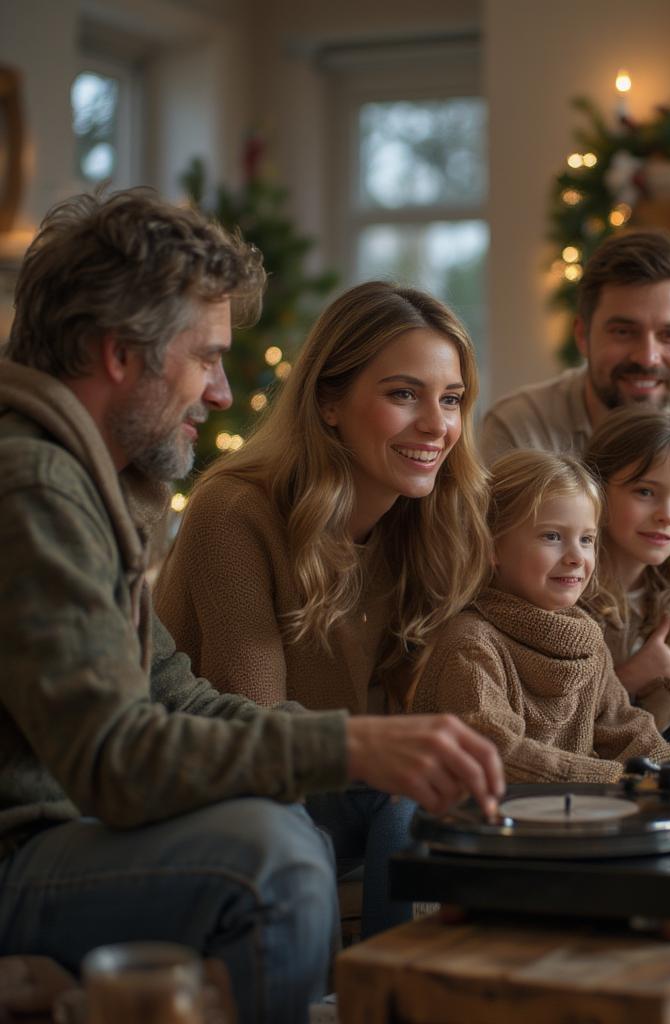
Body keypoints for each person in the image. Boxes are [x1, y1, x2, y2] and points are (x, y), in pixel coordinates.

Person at [0, 190, 504, 1024]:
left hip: (53, 836)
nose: (223, 394)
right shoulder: (35, 486)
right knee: (271, 860)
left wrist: (375, 749)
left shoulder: (88, 488)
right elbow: (115, 760)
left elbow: (177, 692)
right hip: (23, 851)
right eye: (206, 358)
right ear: (120, 353)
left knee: (381, 807)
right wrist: (347, 742)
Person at [154, 280, 492, 936]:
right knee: (400, 798)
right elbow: (252, 726)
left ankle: (412, 987)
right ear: (329, 402)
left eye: (451, 399)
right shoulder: (235, 509)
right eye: (403, 394)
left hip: (348, 794)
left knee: (437, 803)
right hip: (231, 800)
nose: (436, 425)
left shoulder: (427, 521)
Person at [479, 229, 670, 797]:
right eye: (623, 331)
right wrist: (617, 681)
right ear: (582, 334)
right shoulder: (520, 431)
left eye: (668, 335)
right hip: (548, 684)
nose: (647, 356)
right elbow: (491, 602)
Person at [411, 449, 670, 781]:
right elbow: (499, 751)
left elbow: (626, 727)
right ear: (493, 547)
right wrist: (618, 781)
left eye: (586, 540)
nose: (575, 557)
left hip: (562, 817)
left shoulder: (586, 640)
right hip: (481, 823)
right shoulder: (471, 643)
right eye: (552, 536)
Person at [583, 406, 670, 745]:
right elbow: (551, 726)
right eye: (645, 492)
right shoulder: (567, 593)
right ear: (597, 489)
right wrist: (629, 679)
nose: (667, 515)